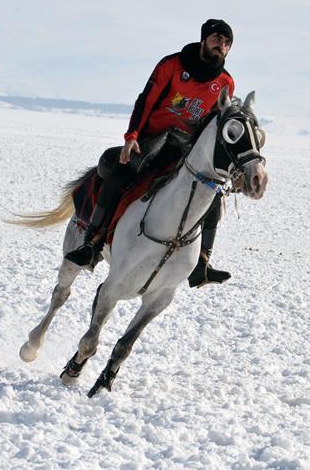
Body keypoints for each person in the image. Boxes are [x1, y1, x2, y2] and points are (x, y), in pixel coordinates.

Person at [65, 19, 237, 288]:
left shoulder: (225, 83)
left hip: (185, 148)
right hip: (153, 140)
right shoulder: (172, 64)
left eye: (227, 43)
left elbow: (213, 127)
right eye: (217, 39)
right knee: (120, 173)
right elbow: (146, 99)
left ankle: (202, 262)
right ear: (204, 39)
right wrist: (131, 137)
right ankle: (92, 244)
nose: (222, 46)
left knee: (211, 193)